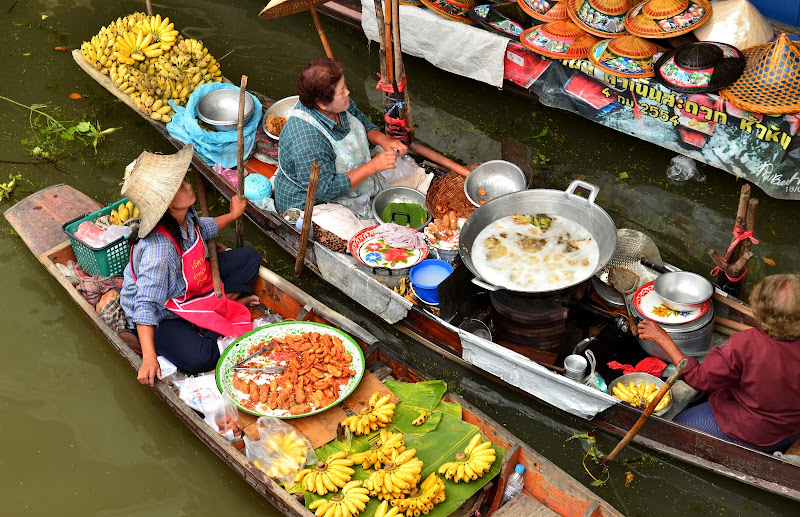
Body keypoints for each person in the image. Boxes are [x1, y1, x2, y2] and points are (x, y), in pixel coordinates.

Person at [120, 145, 261, 386]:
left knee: (249, 258)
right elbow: (145, 305)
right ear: (166, 205)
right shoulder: (160, 251)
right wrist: (150, 358)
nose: (188, 186)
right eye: (180, 188)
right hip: (165, 311)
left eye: (185, 181)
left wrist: (233, 215)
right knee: (202, 358)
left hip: (192, 283)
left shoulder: (185, 214)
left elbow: (203, 229)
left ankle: (217, 310)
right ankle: (219, 310)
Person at [638, 274, 800, 452]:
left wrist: (664, 339)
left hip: (752, 429)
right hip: (790, 427)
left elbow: (700, 379)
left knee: (673, 430)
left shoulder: (745, 344)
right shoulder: (747, 344)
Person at [273, 58, 408, 218]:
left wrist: (384, 140)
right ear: (322, 104)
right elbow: (325, 189)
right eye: (342, 91)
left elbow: (362, 122)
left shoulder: (339, 104)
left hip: (349, 177)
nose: (348, 93)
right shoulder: (309, 140)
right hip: (311, 202)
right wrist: (372, 166)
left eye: (345, 87)